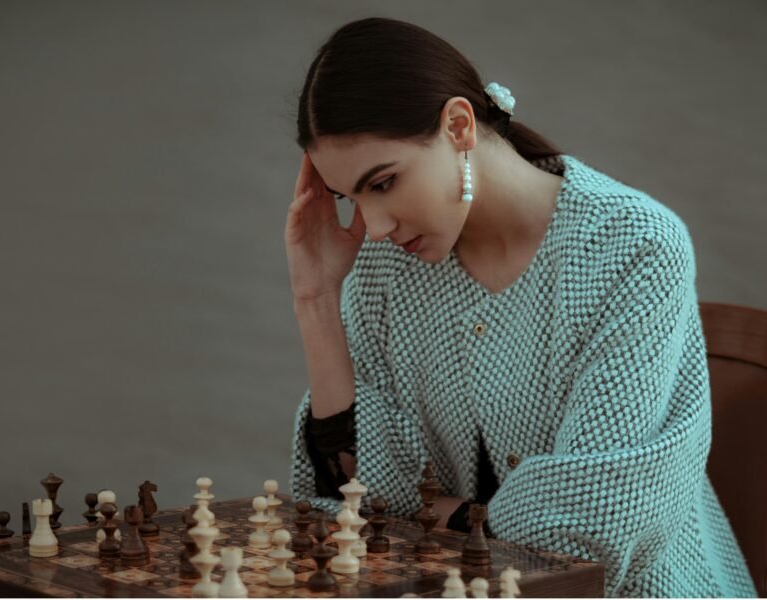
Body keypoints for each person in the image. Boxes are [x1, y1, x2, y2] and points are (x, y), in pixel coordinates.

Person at [283, 16, 757, 598]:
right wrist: (316, 299)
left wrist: (448, 514)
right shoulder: (389, 268)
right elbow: (355, 495)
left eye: (382, 183)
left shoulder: (633, 246)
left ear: (458, 125)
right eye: (348, 198)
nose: (373, 227)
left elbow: (588, 531)